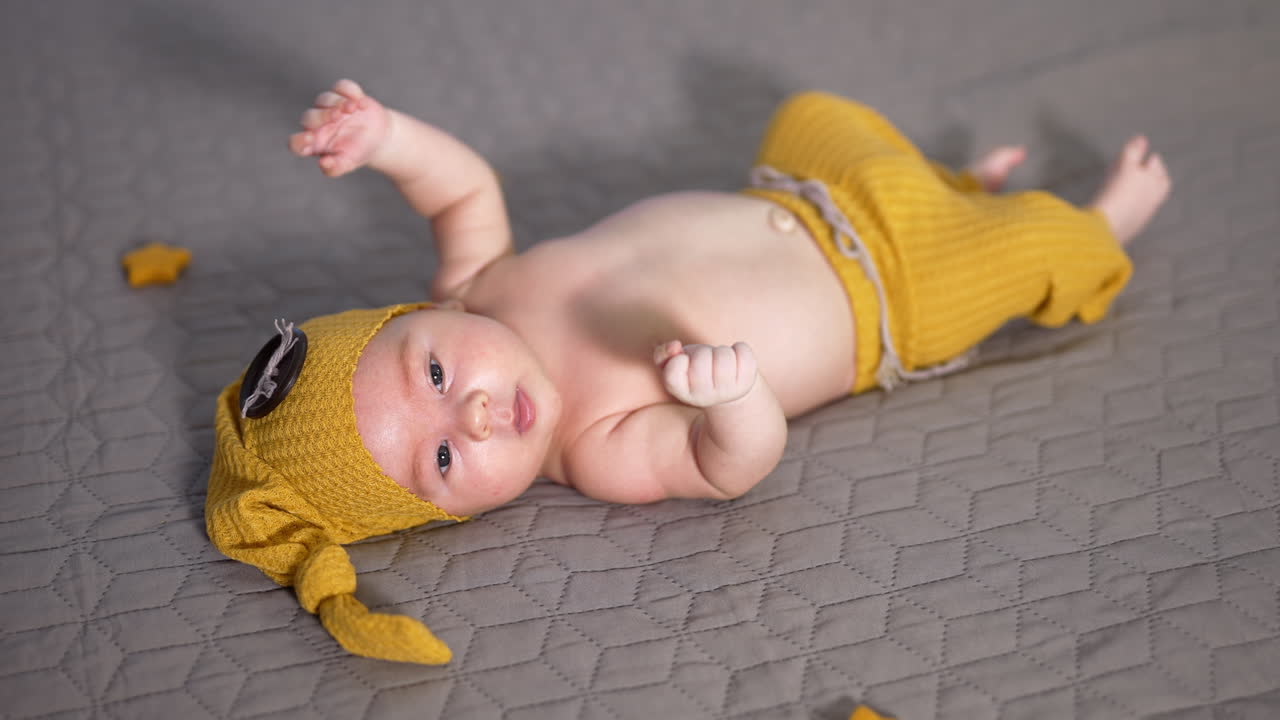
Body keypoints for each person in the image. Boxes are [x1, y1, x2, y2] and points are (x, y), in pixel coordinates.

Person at [205, 79, 1170, 665]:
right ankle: (1096, 232)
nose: (482, 416)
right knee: (1021, 251)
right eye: (447, 463)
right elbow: (729, 468)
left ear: (422, 315)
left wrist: (386, 141)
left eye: (437, 376)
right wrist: (731, 397)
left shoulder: (482, 280)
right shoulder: (596, 448)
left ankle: (957, 189)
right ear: (445, 516)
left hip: (809, 192)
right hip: (895, 293)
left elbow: (460, 185)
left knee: (811, 112)